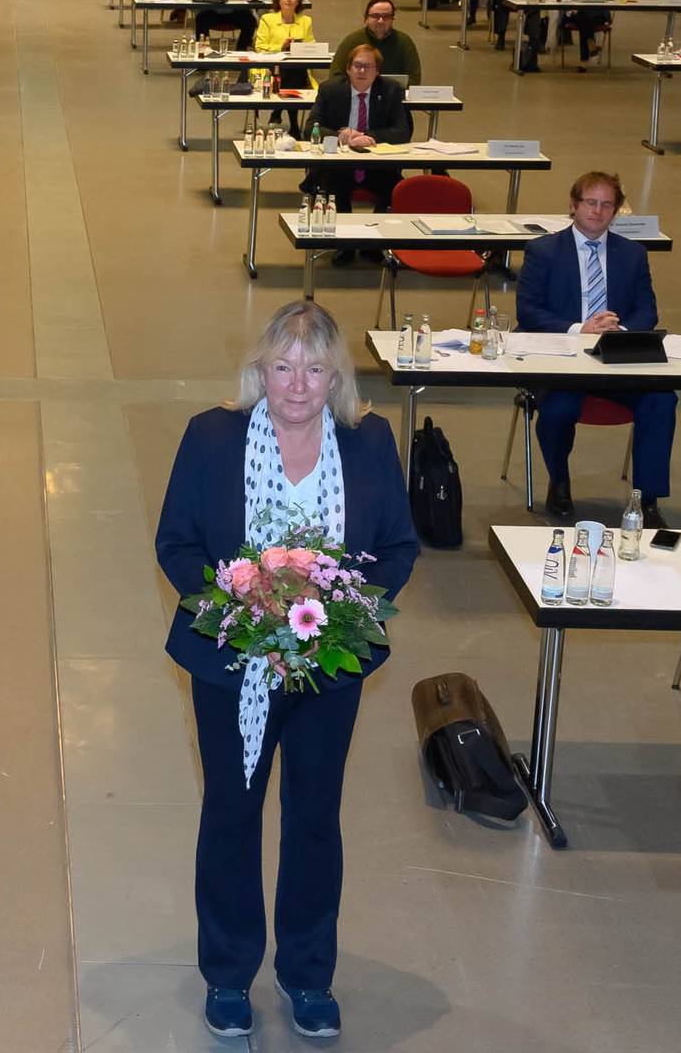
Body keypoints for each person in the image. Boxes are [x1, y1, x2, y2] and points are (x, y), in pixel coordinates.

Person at [152, 299, 419, 1042]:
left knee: (314, 820)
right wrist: (240, 608)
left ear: (336, 378)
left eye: (314, 369)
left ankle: (307, 975)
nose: (297, 385)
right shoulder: (211, 437)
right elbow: (176, 543)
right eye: (283, 366)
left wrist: (341, 613)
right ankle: (228, 974)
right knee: (231, 815)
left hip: (328, 670)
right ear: (260, 371)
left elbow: (398, 546)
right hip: (231, 665)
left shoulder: (368, 443)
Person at [517, 172, 675, 521]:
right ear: (573, 205)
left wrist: (619, 331)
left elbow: (647, 310)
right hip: (561, 358)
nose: (598, 211)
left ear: (615, 211)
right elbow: (528, 311)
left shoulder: (632, 254)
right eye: (591, 202)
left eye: (607, 205)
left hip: (615, 358)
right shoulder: (543, 251)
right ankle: (559, 482)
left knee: (661, 399)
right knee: (558, 408)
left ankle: (647, 500)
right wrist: (581, 329)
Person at [303, 45, 413, 237]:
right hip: (338, 165)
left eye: (368, 67)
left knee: (397, 189)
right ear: (348, 69)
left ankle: (376, 241)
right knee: (334, 189)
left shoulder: (391, 89)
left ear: (377, 71)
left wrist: (367, 136)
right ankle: (342, 242)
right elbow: (310, 128)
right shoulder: (330, 90)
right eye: (357, 65)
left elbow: (403, 131)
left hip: (376, 165)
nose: (362, 71)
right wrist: (340, 136)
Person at [323, 0, 420, 87]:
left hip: (392, 96)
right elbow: (336, 75)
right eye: (375, 16)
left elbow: (414, 78)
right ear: (366, 19)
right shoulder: (352, 41)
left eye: (386, 16)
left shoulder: (404, 42)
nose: (381, 21)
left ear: (392, 19)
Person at [254, 0, 317, 104]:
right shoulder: (267, 19)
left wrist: (299, 47)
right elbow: (260, 47)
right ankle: (290, 115)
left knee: (294, 70)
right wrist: (281, 48)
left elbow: (312, 47)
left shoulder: (306, 21)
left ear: (298, 1)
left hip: (298, 68)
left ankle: (280, 111)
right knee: (286, 72)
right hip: (272, 67)